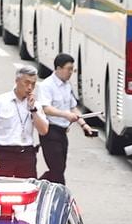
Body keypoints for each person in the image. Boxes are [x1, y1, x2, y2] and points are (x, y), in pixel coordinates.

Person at [35, 53, 95, 185]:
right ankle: (62, 195)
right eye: (68, 69)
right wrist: (65, 115)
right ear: (58, 68)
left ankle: (36, 185)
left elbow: (73, 108)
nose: (70, 73)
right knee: (57, 171)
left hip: (63, 132)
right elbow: (45, 108)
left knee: (60, 168)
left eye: (72, 69)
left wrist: (84, 125)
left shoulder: (67, 86)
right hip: (49, 131)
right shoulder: (47, 86)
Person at [0, 64, 48, 178]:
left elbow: (43, 131)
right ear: (17, 81)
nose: (29, 87)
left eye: (33, 84)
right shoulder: (0, 101)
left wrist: (33, 110)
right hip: (4, 153)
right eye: (26, 82)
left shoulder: (36, 105)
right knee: (0, 189)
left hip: (26, 154)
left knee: (27, 190)